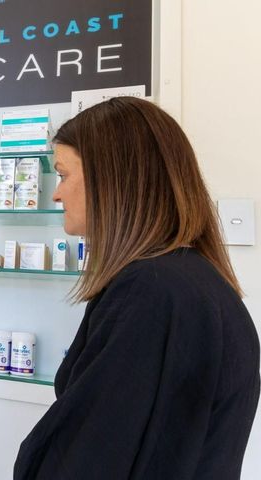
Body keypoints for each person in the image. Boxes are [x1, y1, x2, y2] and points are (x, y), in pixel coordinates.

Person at [14, 97, 260, 479]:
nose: (57, 195)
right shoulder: (204, 282)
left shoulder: (150, 292)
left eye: (63, 175)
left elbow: (87, 458)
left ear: (110, 178)